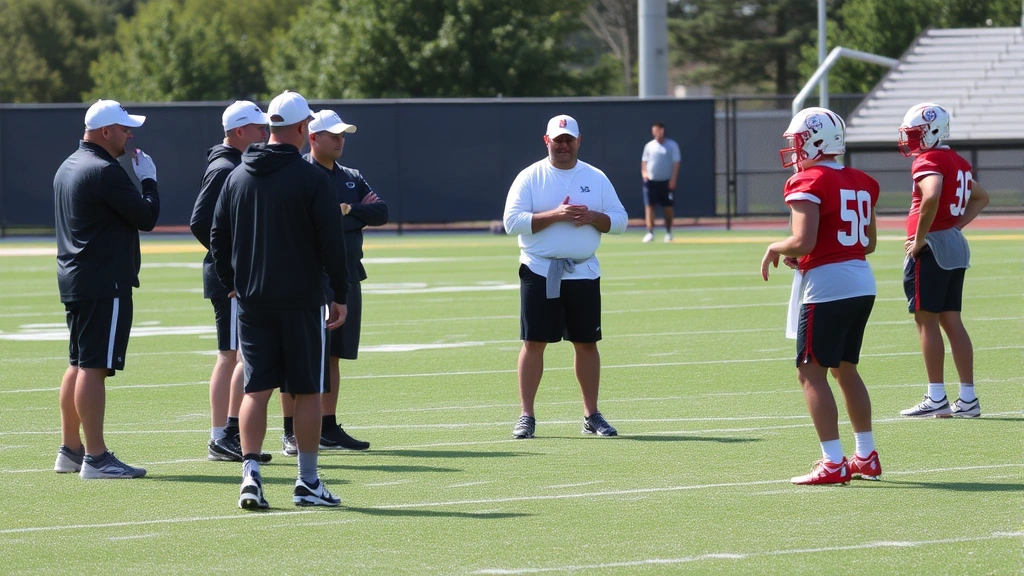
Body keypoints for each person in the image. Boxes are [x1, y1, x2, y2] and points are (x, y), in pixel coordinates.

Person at [210, 90, 350, 509]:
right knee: (306, 391)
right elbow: (331, 242)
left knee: (256, 389)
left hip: (253, 300)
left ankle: (250, 475)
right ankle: (307, 481)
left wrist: (233, 282)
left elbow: (217, 237)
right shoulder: (312, 179)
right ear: (304, 127)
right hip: (301, 299)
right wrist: (339, 294)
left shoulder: (237, 176)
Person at [760, 107, 882, 485]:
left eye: (799, 141)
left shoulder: (808, 180)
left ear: (815, 141)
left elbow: (803, 240)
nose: (795, 149)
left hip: (829, 286)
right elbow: (868, 243)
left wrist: (776, 246)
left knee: (810, 372)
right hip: (861, 281)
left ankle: (832, 462)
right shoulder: (862, 180)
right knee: (845, 369)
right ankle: (866, 456)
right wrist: (806, 253)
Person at [502, 114, 628, 440]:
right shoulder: (530, 176)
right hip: (539, 270)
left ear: (578, 141)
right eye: (557, 140)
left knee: (586, 342)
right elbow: (511, 222)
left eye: (569, 139)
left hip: (583, 271)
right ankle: (526, 415)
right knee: (534, 342)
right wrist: (555, 215)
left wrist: (594, 217)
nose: (563, 145)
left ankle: (591, 415)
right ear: (547, 141)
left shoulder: (595, 177)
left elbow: (620, 221)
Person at [52, 99, 159, 479]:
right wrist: (149, 180)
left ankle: (71, 449)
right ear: (105, 131)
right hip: (103, 280)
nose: (129, 135)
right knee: (93, 367)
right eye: (125, 129)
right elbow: (146, 217)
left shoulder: (69, 165)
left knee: (79, 363)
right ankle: (96, 457)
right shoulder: (104, 170)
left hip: (77, 277)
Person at [279, 110, 388, 455]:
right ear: (312, 137)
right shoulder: (300, 173)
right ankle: (290, 430)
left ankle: (327, 426)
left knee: (334, 355)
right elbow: (308, 226)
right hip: (309, 277)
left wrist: (347, 211)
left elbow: (381, 212)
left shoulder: (351, 176)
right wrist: (344, 215)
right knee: (299, 355)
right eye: (334, 135)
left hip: (347, 274)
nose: (341, 140)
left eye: (343, 135)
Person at [190, 101, 272, 463]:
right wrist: (231, 267)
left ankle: (227, 435)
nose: (265, 133)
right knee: (230, 354)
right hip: (230, 278)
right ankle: (221, 436)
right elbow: (200, 222)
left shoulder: (230, 164)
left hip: (231, 275)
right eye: (259, 128)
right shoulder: (225, 168)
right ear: (240, 131)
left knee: (235, 353)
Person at [896, 103, 990, 419]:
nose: (911, 140)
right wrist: (955, 226)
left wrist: (920, 238)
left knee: (926, 320)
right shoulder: (958, 161)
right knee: (952, 321)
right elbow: (982, 196)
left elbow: (932, 193)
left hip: (932, 248)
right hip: (953, 244)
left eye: (915, 133)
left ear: (933, 131)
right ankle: (968, 398)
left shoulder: (929, 160)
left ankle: (936, 396)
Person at [640, 122, 681, 243]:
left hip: (666, 182)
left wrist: (673, 179)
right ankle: (650, 232)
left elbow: (676, 163)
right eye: (654, 132)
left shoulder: (672, 145)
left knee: (668, 208)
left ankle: (668, 232)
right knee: (649, 207)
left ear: (662, 131)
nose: (656, 134)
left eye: (658, 131)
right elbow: (644, 161)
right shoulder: (649, 146)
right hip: (651, 183)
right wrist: (645, 174)